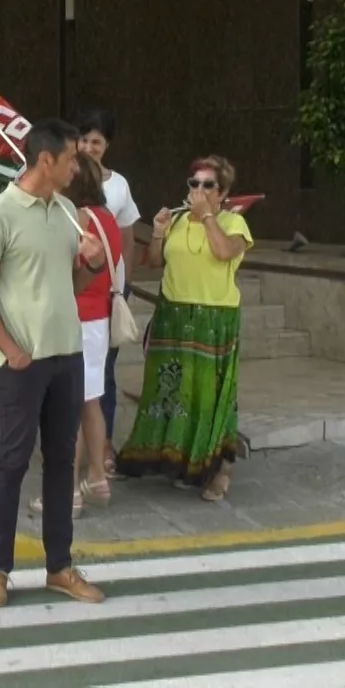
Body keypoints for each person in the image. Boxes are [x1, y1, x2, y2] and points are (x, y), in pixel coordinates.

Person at [0, 118, 106, 608]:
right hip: (21, 362)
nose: (77, 166)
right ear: (46, 160)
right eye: (71, 158)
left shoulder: (68, 211)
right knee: (12, 460)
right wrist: (11, 348)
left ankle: (59, 567)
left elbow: (74, 285)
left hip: (67, 354)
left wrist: (90, 261)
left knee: (62, 462)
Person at [118, 155, 253, 502]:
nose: (199, 190)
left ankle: (221, 467)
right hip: (174, 315)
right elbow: (155, 261)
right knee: (172, 391)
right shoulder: (178, 221)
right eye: (194, 183)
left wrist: (208, 216)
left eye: (208, 185)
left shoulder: (233, 224)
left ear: (222, 192)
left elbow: (223, 253)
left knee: (212, 393)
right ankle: (177, 460)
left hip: (213, 319)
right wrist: (159, 233)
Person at [31, 154, 122, 517]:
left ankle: (67, 493)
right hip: (99, 317)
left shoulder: (75, 218)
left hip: (75, 318)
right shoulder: (108, 218)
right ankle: (97, 475)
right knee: (91, 400)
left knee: (66, 408)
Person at [76, 109, 138, 479]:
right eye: (83, 140)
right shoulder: (66, 184)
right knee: (81, 384)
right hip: (82, 298)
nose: (88, 147)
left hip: (104, 294)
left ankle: (103, 448)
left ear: (107, 145)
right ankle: (88, 464)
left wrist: (121, 285)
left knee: (102, 376)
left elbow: (126, 240)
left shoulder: (119, 187)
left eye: (96, 141)